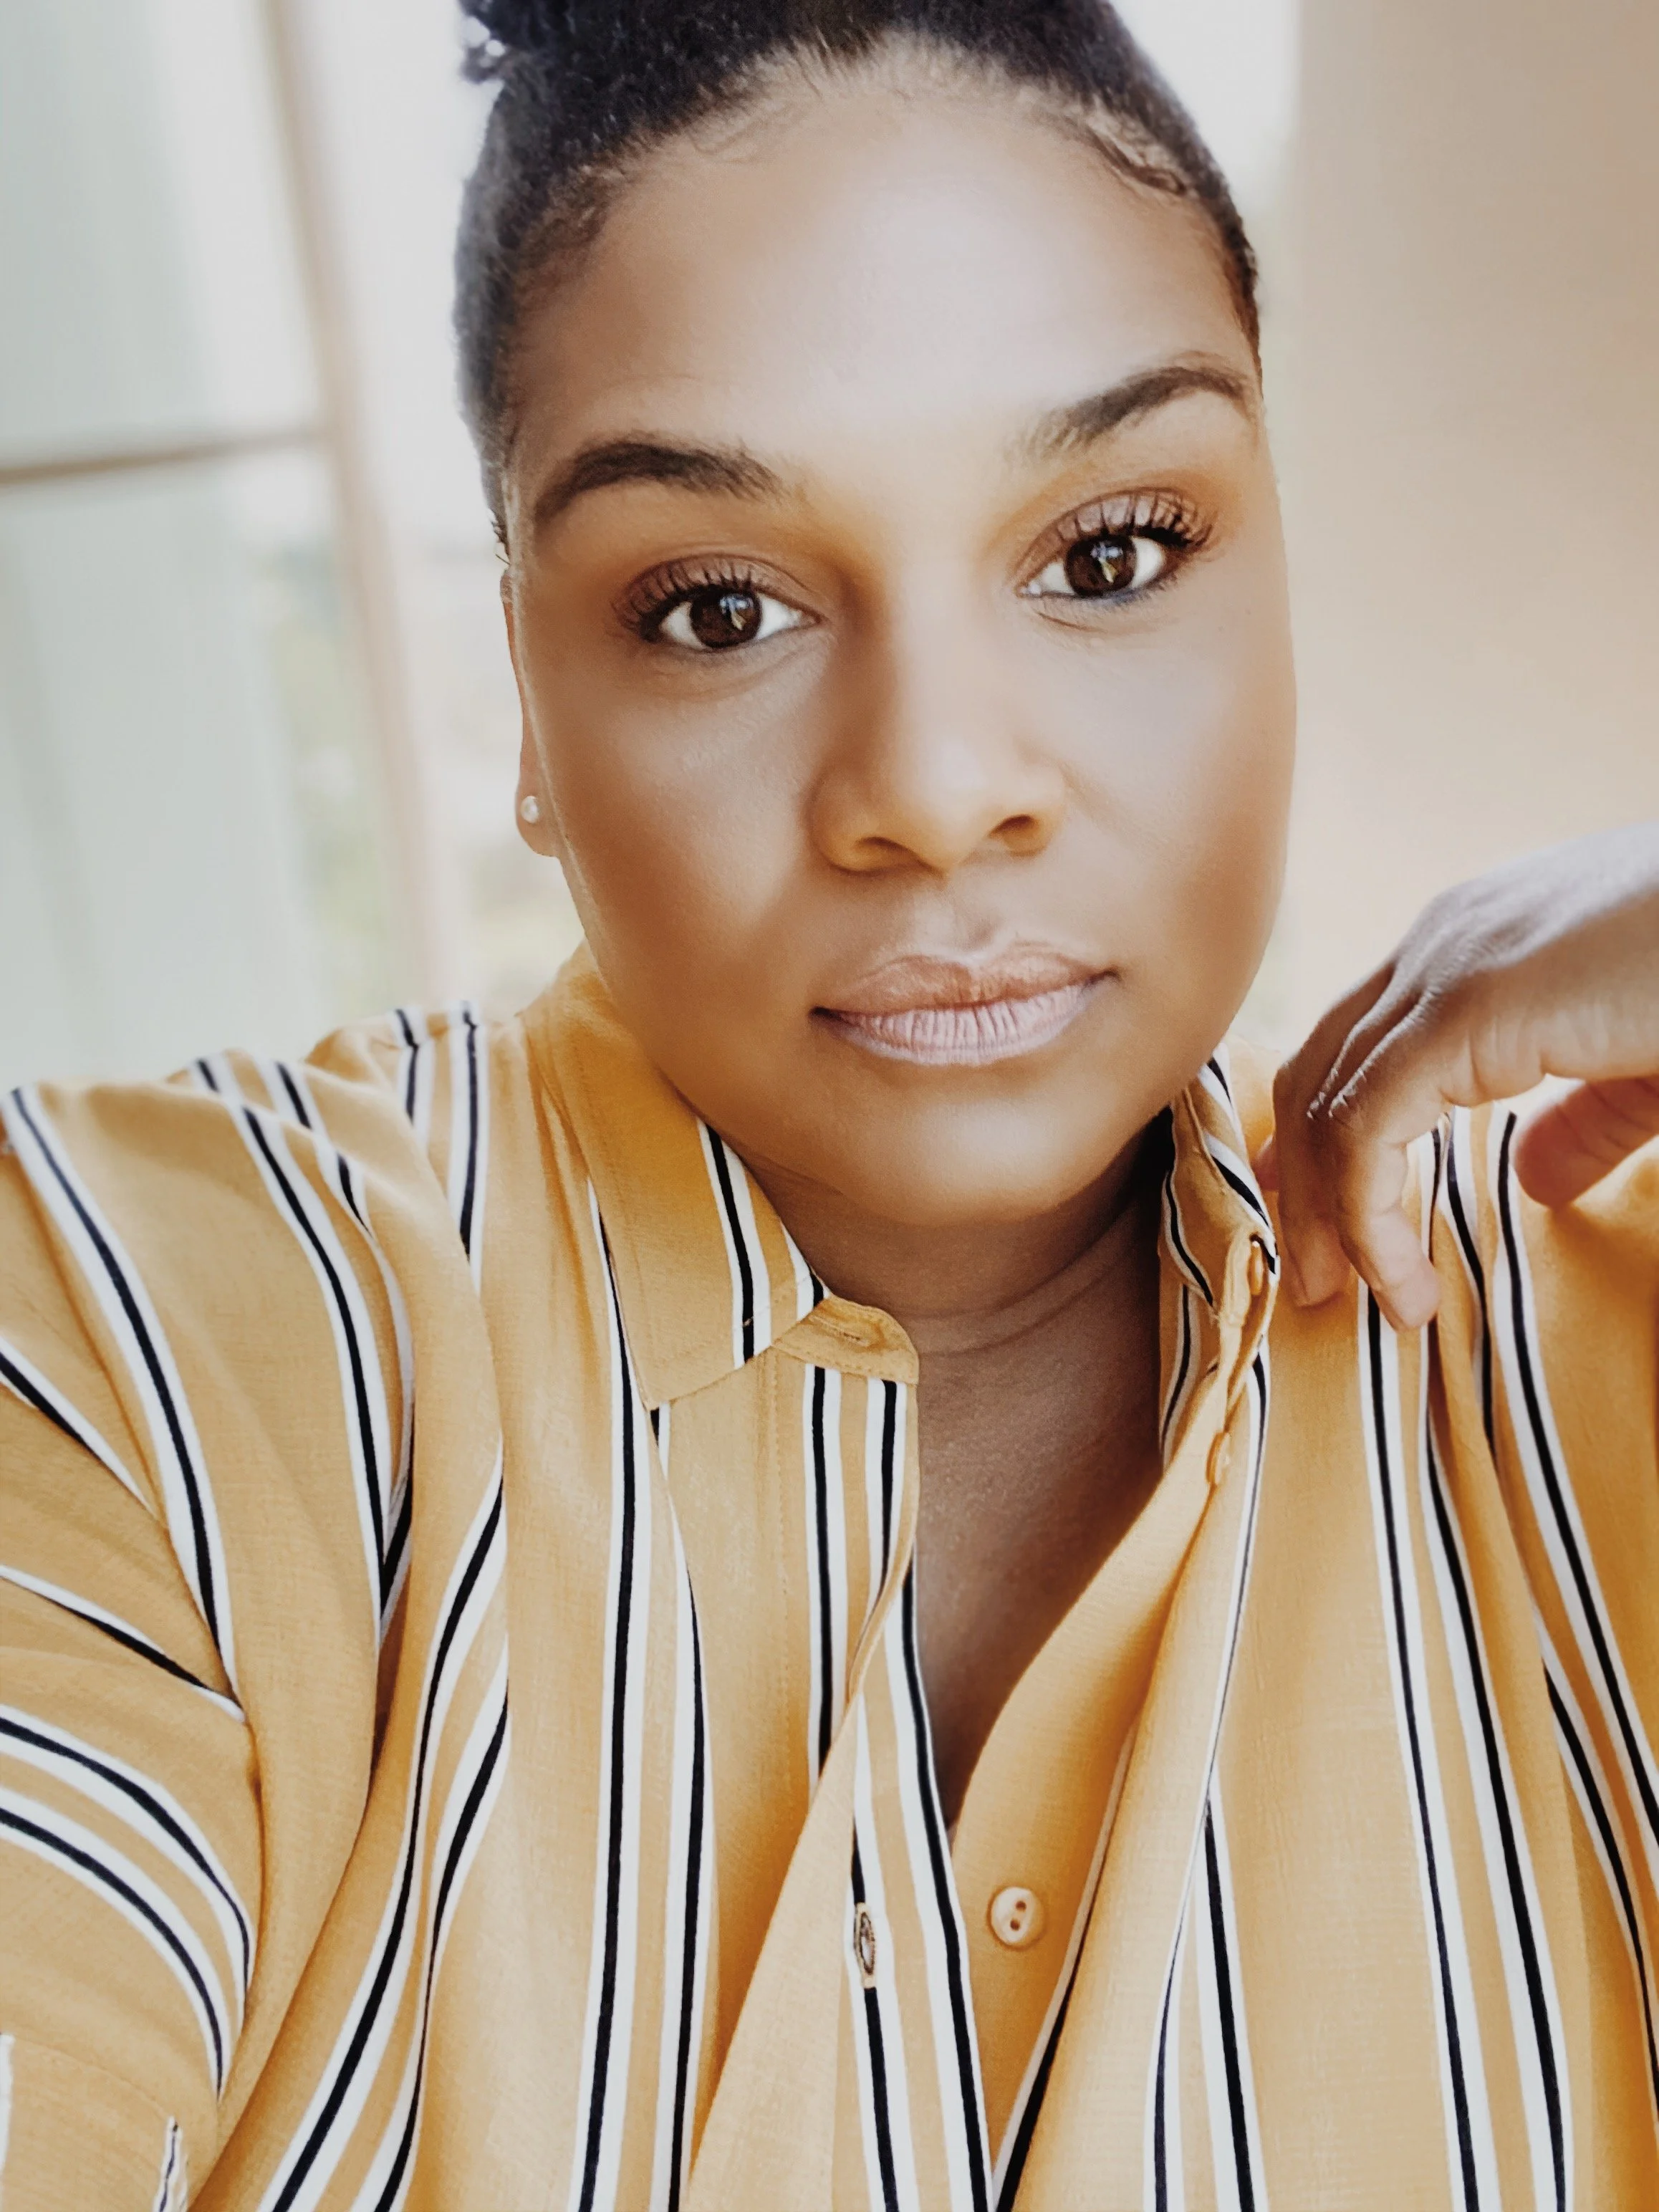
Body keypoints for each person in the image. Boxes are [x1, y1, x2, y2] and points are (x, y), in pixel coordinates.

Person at [1, 1, 1655, 2204]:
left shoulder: (1602, 1359)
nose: (937, 793)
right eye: (716, 607)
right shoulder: (150, 1350)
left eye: (1107, 554)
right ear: (523, 679)